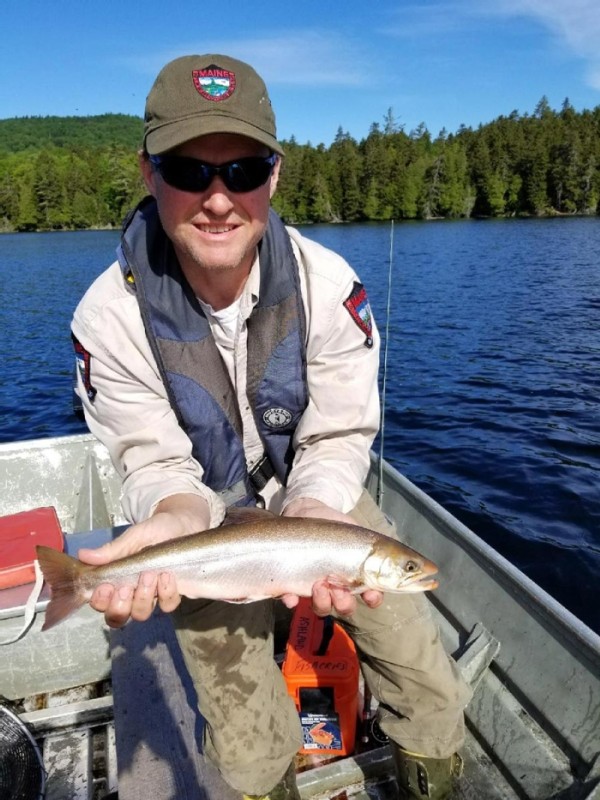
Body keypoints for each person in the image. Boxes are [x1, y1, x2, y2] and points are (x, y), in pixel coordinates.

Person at [71, 54, 472, 800]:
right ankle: (267, 787)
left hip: (315, 500)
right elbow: (154, 461)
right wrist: (175, 513)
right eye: (190, 171)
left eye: (243, 170)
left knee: (418, 659)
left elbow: (341, 434)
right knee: (243, 720)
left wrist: (315, 504)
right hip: (195, 519)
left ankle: (436, 771)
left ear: (274, 176)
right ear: (149, 173)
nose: (218, 199)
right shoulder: (107, 316)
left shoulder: (330, 286)